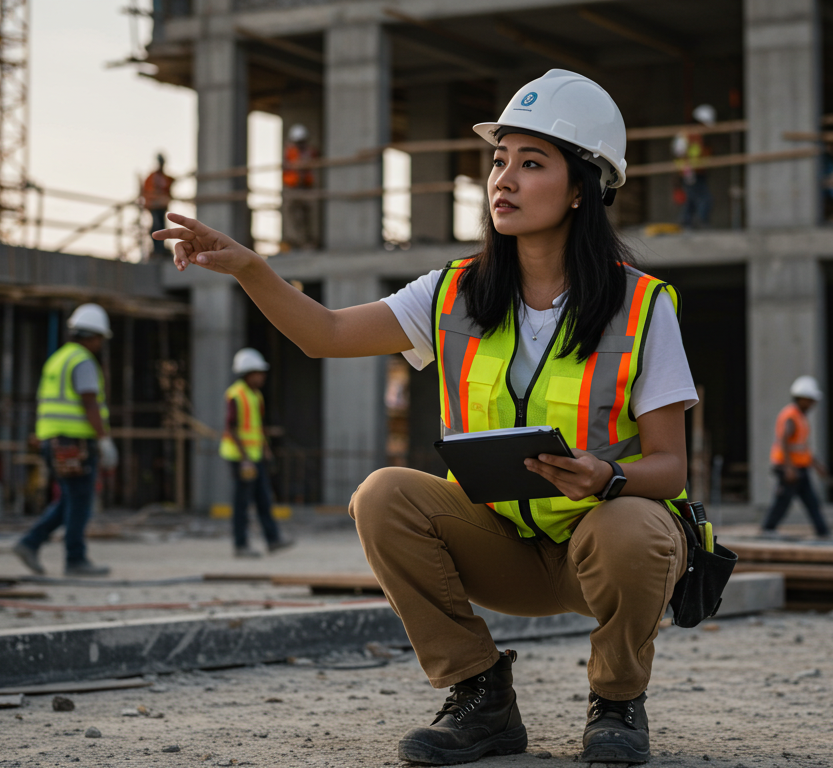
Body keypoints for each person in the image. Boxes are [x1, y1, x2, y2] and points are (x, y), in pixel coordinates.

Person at [155, 68, 698, 766]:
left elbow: (670, 467)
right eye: (499, 160)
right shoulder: (454, 292)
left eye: (531, 163)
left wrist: (605, 477)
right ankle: (480, 696)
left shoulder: (642, 306)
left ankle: (617, 701)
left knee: (635, 528)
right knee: (382, 495)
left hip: (601, 550)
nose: (503, 179)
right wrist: (250, 269)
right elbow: (326, 334)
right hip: (500, 546)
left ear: (581, 188)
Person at [14, 303, 119, 577]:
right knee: (80, 501)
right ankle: (75, 559)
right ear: (93, 336)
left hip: (53, 440)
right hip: (75, 442)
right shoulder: (82, 361)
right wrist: (104, 439)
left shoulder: (58, 359)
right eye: (99, 339)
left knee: (71, 499)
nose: (100, 344)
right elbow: (89, 402)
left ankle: (30, 543)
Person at [221, 347, 292, 557]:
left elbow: (258, 426)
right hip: (240, 458)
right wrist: (245, 459)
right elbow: (232, 427)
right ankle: (240, 545)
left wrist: (265, 450)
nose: (262, 377)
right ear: (248, 373)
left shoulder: (256, 395)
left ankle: (273, 539)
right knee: (242, 502)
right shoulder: (236, 394)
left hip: (255, 456)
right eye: (258, 373)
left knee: (263, 498)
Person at [761, 375, 831, 540]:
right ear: (802, 398)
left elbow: (801, 447)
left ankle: (823, 531)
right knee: (783, 501)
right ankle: (768, 528)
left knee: (811, 501)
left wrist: (816, 465)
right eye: (810, 400)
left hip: (800, 467)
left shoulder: (800, 416)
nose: (812, 404)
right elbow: (784, 441)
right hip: (790, 468)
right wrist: (789, 468)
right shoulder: (791, 416)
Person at [673, 103, 716, 229]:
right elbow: (680, 153)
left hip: (697, 171)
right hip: (690, 172)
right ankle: (701, 222)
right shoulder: (687, 134)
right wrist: (688, 172)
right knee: (705, 198)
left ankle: (686, 222)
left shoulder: (697, 135)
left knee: (691, 198)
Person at [282, 123, 318, 250]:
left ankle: (307, 241)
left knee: (306, 215)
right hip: (292, 187)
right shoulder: (289, 152)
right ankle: (294, 241)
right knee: (292, 215)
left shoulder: (309, 151)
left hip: (305, 187)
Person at [140, 154, 174, 258]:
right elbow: (146, 191)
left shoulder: (165, 177)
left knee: (162, 227)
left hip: (162, 206)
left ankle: (160, 248)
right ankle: (157, 249)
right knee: (156, 226)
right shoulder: (152, 177)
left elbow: (168, 188)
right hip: (154, 206)